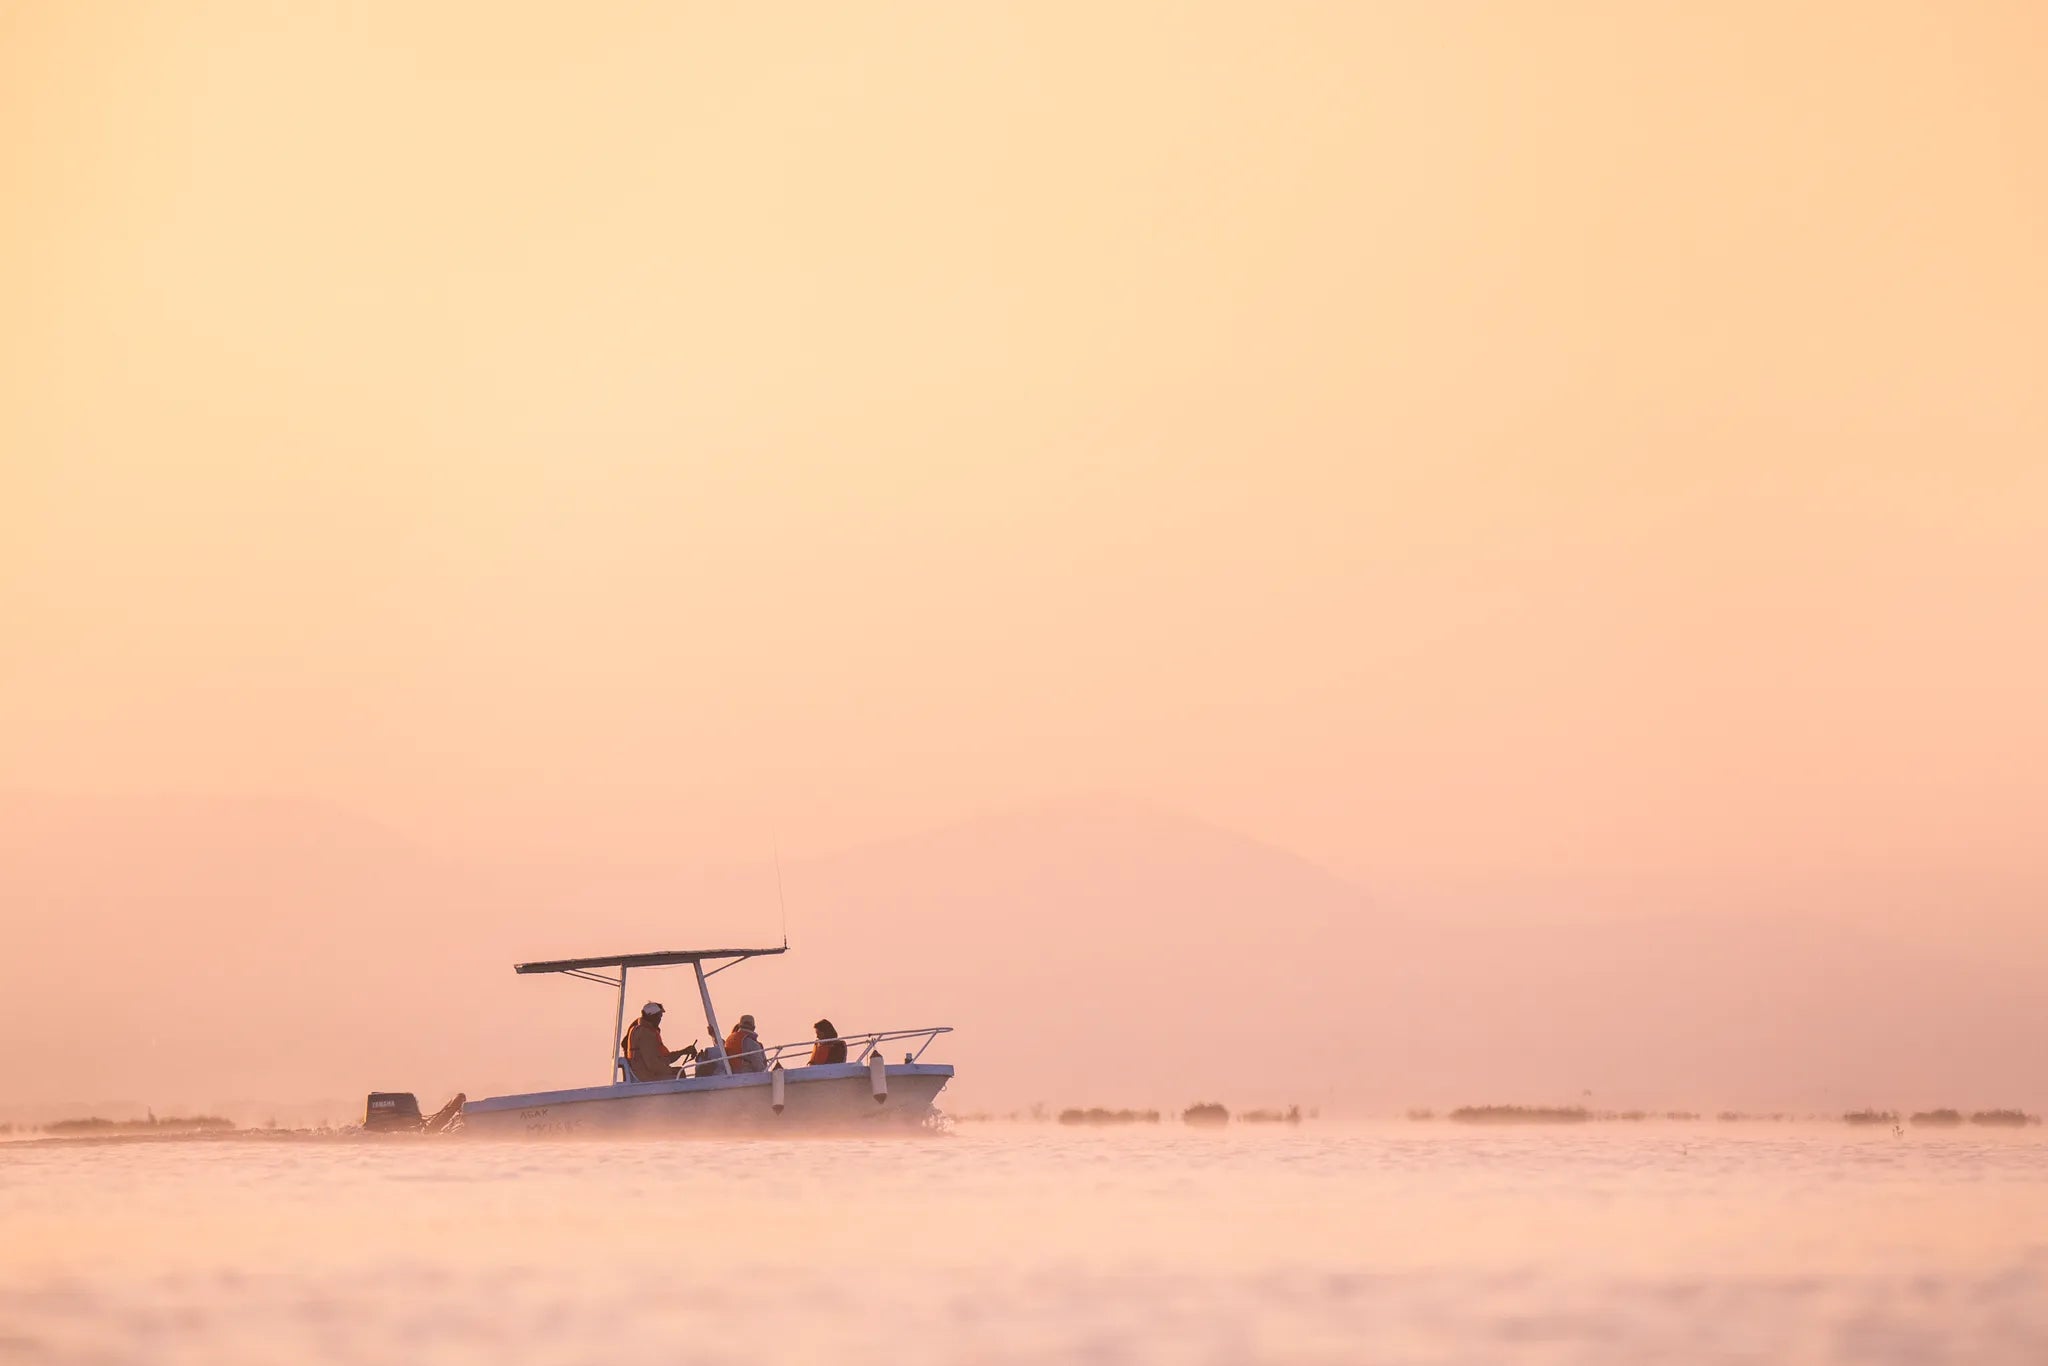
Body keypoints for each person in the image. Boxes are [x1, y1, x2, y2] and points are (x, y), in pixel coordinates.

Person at [620, 1003, 697, 1082]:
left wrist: (683, 1052)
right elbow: (653, 1064)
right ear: (652, 1016)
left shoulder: (644, 1030)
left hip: (646, 1074)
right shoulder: (645, 1034)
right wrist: (670, 1071)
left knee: (679, 1071)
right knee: (679, 1074)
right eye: (659, 1016)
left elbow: (662, 1059)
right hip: (646, 1077)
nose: (660, 1019)